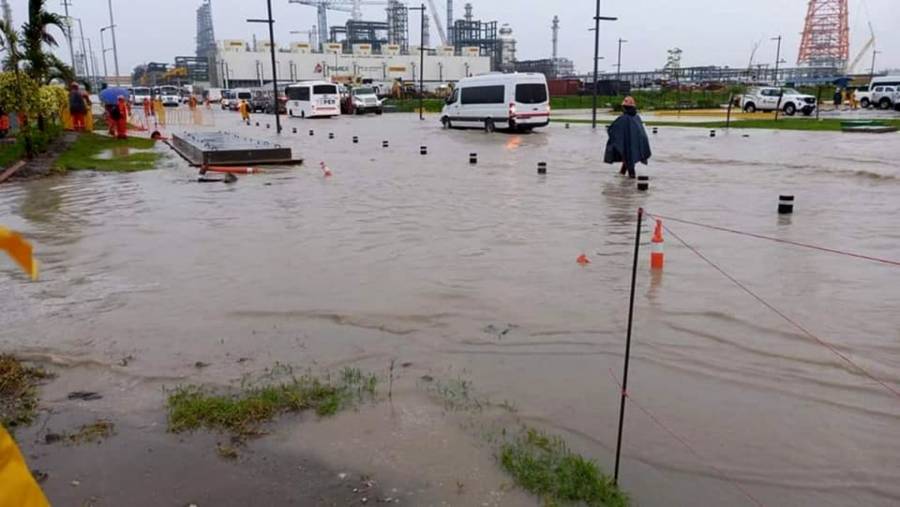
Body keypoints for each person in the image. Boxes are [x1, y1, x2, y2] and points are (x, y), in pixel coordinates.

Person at [604, 96, 652, 179]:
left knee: (628, 159)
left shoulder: (623, 118)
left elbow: (612, 129)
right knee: (627, 158)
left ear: (624, 107)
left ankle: (631, 178)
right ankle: (622, 174)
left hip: (627, 143)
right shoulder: (636, 117)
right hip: (636, 142)